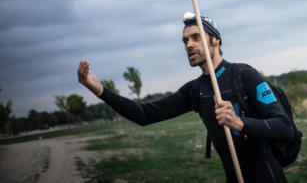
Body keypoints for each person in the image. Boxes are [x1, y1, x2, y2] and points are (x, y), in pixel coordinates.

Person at [77, 12, 294, 183]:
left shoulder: (244, 75)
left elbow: (285, 128)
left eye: (196, 37)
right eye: (185, 41)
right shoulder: (195, 91)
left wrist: (239, 122)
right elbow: (144, 115)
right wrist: (100, 91)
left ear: (215, 41)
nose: (189, 44)